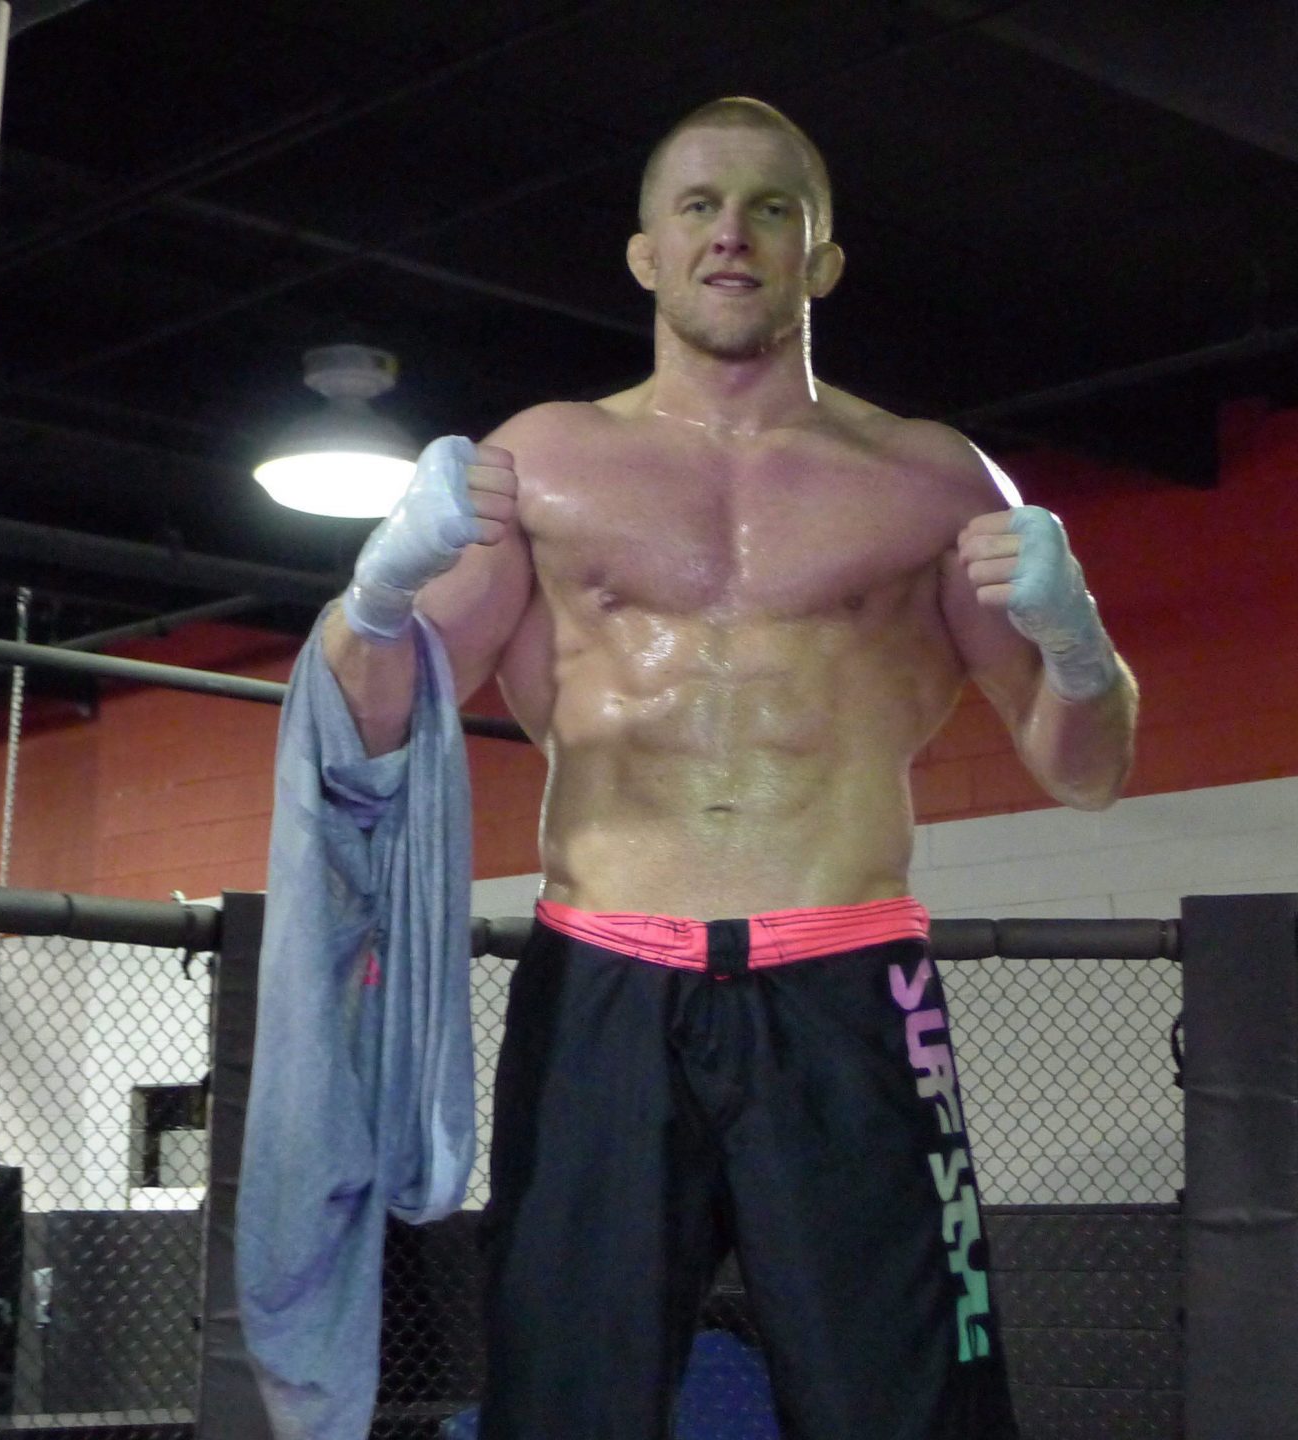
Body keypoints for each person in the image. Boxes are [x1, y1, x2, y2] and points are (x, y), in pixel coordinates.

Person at [324, 96, 1137, 1439]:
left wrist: (1080, 643)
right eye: (698, 206)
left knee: (911, 1407)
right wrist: (378, 591)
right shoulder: (544, 464)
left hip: (849, 982)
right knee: (560, 1404)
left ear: (823, 257)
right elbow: (361, 729)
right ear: (645, 252)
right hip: (602, 983)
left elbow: (1085, 772)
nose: (731, 235)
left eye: (772, 208)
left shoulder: (933, 480)